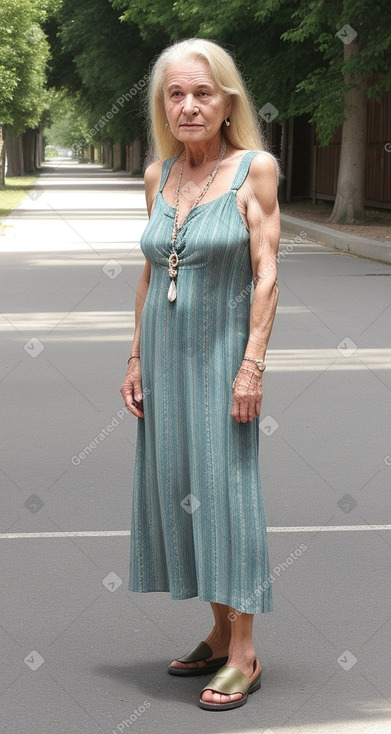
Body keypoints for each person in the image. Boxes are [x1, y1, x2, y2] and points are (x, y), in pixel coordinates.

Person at [120, 38, 280, 711]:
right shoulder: (160, 176)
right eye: (175, 94)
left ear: (225, 102)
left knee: (226, 495)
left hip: (222, 362)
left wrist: (252, 365)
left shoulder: (254, 170)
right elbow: (153, 270)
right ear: (163, 105)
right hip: (162, 361)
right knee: (180, 490)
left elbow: (267, 273)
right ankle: (216, 634)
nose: (188, 105)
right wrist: (133, 356)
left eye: (202, 93)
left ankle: (245, 651)